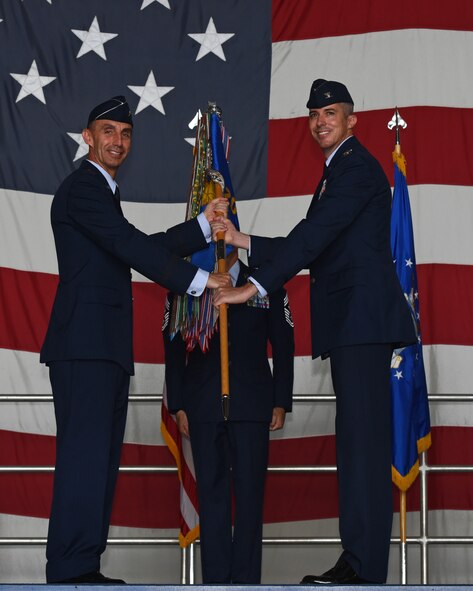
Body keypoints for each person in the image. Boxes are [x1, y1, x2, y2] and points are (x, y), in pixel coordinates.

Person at [213, 80, 417, 584]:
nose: (320, 120)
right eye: (314, 114)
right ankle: (357, 559)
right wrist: (243, 239)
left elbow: (313, 238)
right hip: (352, 326)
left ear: (352, 120)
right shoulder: (337, 171)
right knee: (353, 444)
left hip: (363, 324)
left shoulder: (354, 168)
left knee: (364, 447)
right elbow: (315, 239)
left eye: (331, 112)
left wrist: (252, 285)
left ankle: (365, 567)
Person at [40, 95, 230, 584]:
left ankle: (81, 565)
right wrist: (199, 280)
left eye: (125, 134)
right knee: (85, 458)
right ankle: (69, 570)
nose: (117, 141)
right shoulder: (84, 188)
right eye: (108, 131)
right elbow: (131, 247)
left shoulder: (102, 193)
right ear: (88, 137)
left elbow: (134, 246)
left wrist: (201, 229)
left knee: (98, 460)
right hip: (85, 347)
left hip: (101, 348)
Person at [163, 249, 294, 584]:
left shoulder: (265, 281)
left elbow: (283, 342)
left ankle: (247, 581)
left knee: (250, 497)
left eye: (226, 233)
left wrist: (280, 400)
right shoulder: (187, 284)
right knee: (212, 496)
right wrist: (177, 403)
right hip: (202, 405)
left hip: (252, 404)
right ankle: (217, 581)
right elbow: (174, 346)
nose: (220, 242)